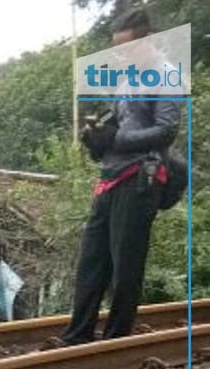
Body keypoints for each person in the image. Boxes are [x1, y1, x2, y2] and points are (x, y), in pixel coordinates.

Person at [59, 8, 181, 345]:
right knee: (91, 260)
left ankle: (116, 342)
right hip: (111, 176)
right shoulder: (127, 78)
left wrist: (117, 139)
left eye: (128, 47)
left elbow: (166, 131)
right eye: (118, 49)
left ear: (149, 39)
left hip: (141, 178)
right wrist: (97, 138)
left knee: (126, 264)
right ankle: (76, 337)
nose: (123, 54)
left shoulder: (167, 76)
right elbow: (118, 123)